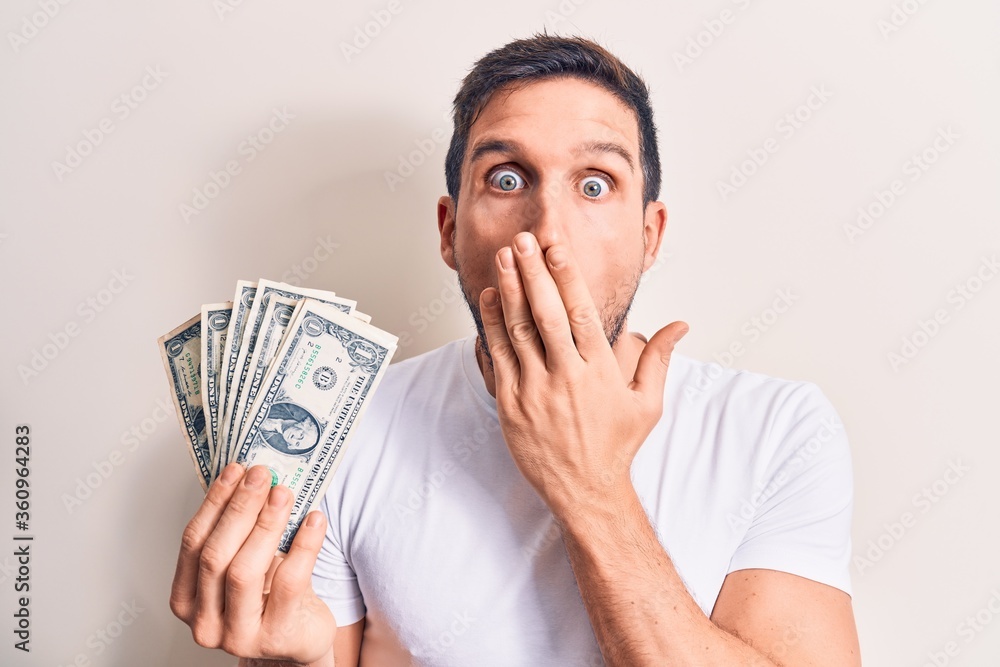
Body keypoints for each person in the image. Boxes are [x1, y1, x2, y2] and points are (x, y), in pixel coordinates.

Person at [170, 33, 861, 666]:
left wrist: (591, 485)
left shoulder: (778, 429)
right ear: (450, 231)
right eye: (506, 178)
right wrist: (294, 659)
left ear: (649, 235)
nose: (546, 231)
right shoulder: (345, 429)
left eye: (595, 184)